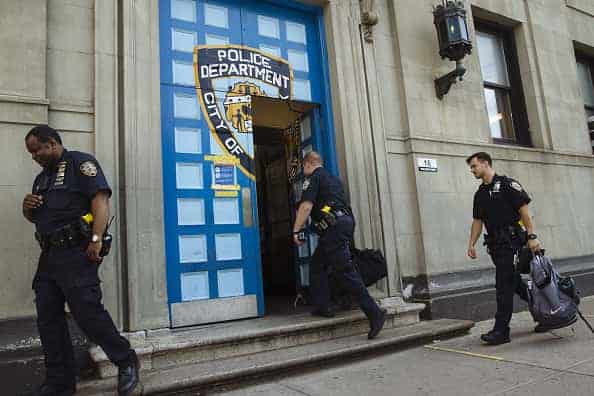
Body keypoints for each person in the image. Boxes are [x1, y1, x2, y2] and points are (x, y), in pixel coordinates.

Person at [22, 125, 140, 396]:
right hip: (49, 257)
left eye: (36, 150)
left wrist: (97, 239)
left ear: (51, 143)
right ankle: (60, 383)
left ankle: (126, 361)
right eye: (31, 153)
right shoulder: (42, 179)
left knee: (87, 313)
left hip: (77, 253)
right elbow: (38, 218)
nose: (34, 156)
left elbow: (100, 200)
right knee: (48, 319)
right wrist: (26, 209)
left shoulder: (80, 164)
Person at [292, 151, 386, 339]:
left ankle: (374, 313)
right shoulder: (333, 179)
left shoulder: (313, 179)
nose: (304, 171)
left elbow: (306, 206)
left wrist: (296, 229)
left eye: (304, 167)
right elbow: (329, 206)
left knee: (345, 271)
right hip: (342, 224)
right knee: (317, 265)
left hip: (334, 229)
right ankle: (322, 305)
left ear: (309, 164)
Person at [466, 152, 541, 345]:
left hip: (512, 243)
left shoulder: (508, 184)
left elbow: (524, 212)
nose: (472, 170)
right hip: (496, 246)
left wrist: (532, 236)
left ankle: (501, 330)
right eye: (471, 168)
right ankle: (545, 312)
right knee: (516, 284)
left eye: (474, 166)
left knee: (503, 285)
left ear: (485, 163)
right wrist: (471, 244)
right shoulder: (480, 194)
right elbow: (477, 220)